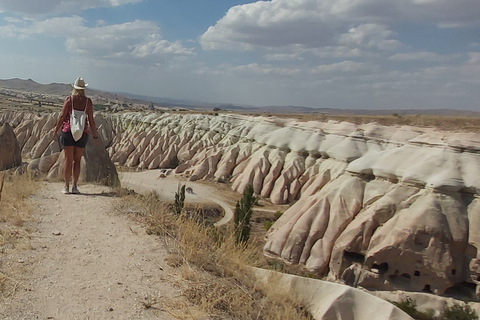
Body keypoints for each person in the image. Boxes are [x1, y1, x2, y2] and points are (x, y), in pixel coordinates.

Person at [52, 77, 99, 194]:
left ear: (74, 87)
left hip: (68, 131)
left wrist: (55, 130)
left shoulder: (69, 100)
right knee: (77, 160)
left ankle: (66, 187)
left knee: (68, 160)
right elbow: (91, 120)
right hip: (82, 133)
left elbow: (62, 116)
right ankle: (75, 186)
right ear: (83, 89)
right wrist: (95, 136)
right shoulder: (88, 102)